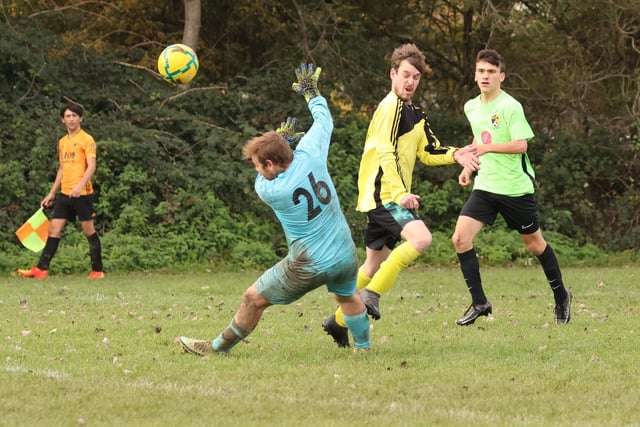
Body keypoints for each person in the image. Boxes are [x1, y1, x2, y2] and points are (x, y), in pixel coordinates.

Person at [179, 63, 371, 356]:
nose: (256, 169)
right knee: (347, 297)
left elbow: (265, 178)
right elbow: (324, 121)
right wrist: (311, 93)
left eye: (258, 165)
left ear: (270, 165)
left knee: (252, 299)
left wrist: (284, 140)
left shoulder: (271, 189)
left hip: (309, 264)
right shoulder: (310, 154)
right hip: (345, 252)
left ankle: (215, 349)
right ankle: (365, 349)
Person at [321, 43, 480, 347]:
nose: (410, 82)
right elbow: (385, 152)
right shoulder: (390, 106)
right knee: (421, 239)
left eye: (416, 77)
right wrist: (400, 193)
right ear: (393, 74)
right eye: (405, 75)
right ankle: (371, 296)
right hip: (385, 194)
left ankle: (337, 322)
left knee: (373, 265)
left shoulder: (415, 114)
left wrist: (457, 153)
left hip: (385, 195)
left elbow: (429, 151)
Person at [452, 48, 572, 326]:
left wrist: (487, 148)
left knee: (535, 245)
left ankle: (561, 297)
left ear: (501, 77)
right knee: (460, 239)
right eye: (481, 71)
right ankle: (480, 302)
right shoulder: (471, 106)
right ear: (475, 75)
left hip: (515, 189)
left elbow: (521, 145)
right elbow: (477, 136)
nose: (485, 76)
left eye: (491, 72)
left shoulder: (510, 106)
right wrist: (468, 166)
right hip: (485, 187)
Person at [17, 103, 104, 280]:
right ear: (62, 120)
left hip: (83, 194)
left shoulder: (87, 139)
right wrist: (51, 193)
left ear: (81, 118)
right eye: (68, 116)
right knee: (54, 230)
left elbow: (92, 166)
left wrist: (79, 186)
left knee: (88, 231)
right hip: (65, 194)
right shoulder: (63, 142)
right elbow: (62, 169)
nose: (71, 119)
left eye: (74, 116)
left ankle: (97, 271)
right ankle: (41, 270)